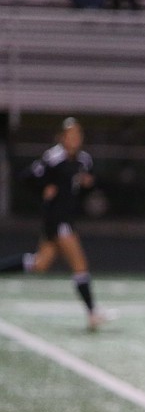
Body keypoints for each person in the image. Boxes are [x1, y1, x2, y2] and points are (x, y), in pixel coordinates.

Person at [0, 118, 103, 331]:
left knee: (40, 263)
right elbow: (27, 176)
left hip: (66, 216)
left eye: (78, 135)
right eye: (70, 135)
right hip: (57, 218)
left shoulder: (84, 160)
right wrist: (43, 190)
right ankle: (93, 312)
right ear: (62, 137)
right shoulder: (54, 158)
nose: (75, 139)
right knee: (80, 265)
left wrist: (87, 185)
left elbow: (86, 184)